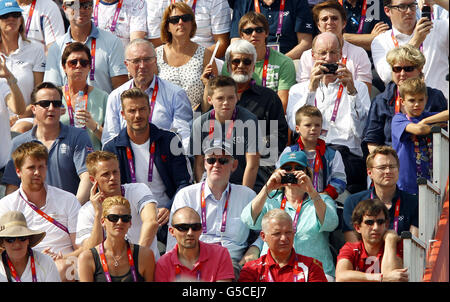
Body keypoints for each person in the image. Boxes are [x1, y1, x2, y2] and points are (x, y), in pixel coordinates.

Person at [103, 88, 192, 247]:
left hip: (166, 215)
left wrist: (169, 207)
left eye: (142, 109)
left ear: (150, 110)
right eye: (132, 111)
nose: (138, 115)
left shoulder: (170, 140)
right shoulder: (112, 148)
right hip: (128, 217)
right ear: (123, 114)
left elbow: (184, 182)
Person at [286, 32, 371, 193]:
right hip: (309, 154)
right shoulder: (299, 90)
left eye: (333, 52)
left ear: (340, 54)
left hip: (347, 156)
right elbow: (293, 124)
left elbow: (362, 131)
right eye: (322, 53)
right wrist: (311, 89)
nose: (328, 58)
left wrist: (351, 92)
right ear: (312, 55)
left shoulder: (358, 87)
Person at [167, 142, 259, 280]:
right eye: (211, 160)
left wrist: (255, 249)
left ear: (234, 165)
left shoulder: (248, 196)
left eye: (223, 160)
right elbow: (173, 237)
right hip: (194, 261)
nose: (216, 165)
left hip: (233, 263)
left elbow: (266, 232)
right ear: (204, 163)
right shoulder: (186, 195)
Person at [241, 151, 338, 281]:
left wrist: (311, 191)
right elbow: (248, 220)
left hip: (314, 270)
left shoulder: (321, 199)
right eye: (287, 169)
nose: (292, 172)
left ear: (307, 172)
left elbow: (331, 223)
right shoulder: (270, 199)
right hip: (272, 270)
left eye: (298, 168)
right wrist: (267, 188)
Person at [0, 142, 82, 281]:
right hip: (22, 264)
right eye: (31, 168)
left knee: (62, 268)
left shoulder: (68, 200)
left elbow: (82, 247)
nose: (37, 172)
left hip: (66, 263)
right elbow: (4, 246)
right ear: (18, 171)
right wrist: (39, 259)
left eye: (41, 167)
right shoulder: (6, 205)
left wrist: (61, 258)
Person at [1, 82, 93, 203]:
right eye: (45, 104)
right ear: (33, 108)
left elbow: (87, 177)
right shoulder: (18, 143)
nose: (51, 108)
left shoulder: (78, 137)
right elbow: (12, 187)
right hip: (31, 217)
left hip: (68, 215)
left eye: (56, 104)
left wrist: (73, 209)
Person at [219, 39, 288, 193]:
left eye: (247, 61)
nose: (241, 66)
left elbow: (279, 137)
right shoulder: (219, 96)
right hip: (221, 168)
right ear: (228, 64)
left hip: (259, 172)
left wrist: (252, 147)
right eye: (236, 61)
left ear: (253, 65)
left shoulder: (269, 98)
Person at [101, 38, 193, 151]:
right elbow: (110, 138)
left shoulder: (175, 94)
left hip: (164, 159)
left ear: (155, 61)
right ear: (126, 64)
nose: (142, 65)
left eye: (147, 59)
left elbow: (183, 137)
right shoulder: (115, 97)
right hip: (128, 162)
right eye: (136, 61)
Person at [362, 44, 448, 154]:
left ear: (420, 69)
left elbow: (444, 131)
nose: (402, 74)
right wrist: (386, 165)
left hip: (429, 159)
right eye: (397, 69)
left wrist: (426, 121)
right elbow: (372, 141)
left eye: (408, 69)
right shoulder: (381, 101)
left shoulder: (434, 96)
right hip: (392, 162)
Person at [76, 151, 160, 261]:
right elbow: (89, 251)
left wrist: (137, 258)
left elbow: (152, 221)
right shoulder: (87, 210)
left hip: (145, 266)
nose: (112, 177)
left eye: (115, 172)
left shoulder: (139, 190)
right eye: (106, 174)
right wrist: (98, 214)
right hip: (110, 273)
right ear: (93, 180)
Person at [190, 75, 260, 191]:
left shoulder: (249, 121)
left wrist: (243, 195)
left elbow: (252, 165)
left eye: (231, 98)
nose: (226, 102)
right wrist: (202, 191)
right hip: (211, 184)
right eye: (220, 98)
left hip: (239, 184)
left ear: (237, 98)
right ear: (209, 100)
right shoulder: (199, 124)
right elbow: (199, 163)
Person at [44, 0, 129, 94]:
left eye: (86, 5)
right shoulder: (56, 48)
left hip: (102, 108)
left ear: (92, 7)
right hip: (68, 108)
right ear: (64, 8)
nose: (80, 10)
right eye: (74, 5)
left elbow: (121, 90)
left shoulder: (112, 42)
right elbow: (51, 91)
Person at [371, 0, 449, 100]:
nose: (409, 11)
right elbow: (388, 76)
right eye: (402, 7)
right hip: (404, 109)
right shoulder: (381, 41)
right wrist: (415, 41)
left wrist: (438, 1)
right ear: (387, 11)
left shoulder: (437, 27)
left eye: (412, 6)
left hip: (440, 107)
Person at [343, 146, 419, 242]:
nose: (388, 171)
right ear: (370, 173)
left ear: (398, 170)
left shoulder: (414, 203)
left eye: (392, 167)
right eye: (382, 168)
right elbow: (353, 246)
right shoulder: (353, 202)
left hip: (401, 256)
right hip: (366, 257)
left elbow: (413, 244)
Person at [297, 0, 372, 92]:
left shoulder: (359, 53)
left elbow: (365, 94)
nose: (329, 22)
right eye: (324, 19)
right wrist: (313, 83)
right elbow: (301, 94)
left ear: (344, 23)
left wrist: (351, 86)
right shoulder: (307, 56)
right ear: (318, 25)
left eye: (334, 18)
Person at [228, 11, 296, 112]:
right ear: (241, 35)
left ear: (267, 33)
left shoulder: (284, 62)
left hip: (271, 118)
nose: (254, 34)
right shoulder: (232, 63)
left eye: (259, 30)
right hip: (240, 118)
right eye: (248, 31)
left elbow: (283, 103)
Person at [391, 77, 449, 194]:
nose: (417, 104)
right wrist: (430, 127)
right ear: (402, 101)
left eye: (421, 100)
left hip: (430, 185)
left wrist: (425, 121)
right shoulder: (398, 119)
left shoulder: (426, 117)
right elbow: (419, 130)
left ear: (426, 99)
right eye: (412, 100)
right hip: (406, 186)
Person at [78, 196, 155, 282]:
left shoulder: (145, 255)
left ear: (130, 223)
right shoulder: (87, 258)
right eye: (113, 218)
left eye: (125, 218)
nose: (119, 222)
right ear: (103, 221)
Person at [278, 105, 347, 201]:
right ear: (297, 129)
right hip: (294, 200)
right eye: (308, 125)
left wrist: (323, 195)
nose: (313, 128)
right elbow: (279, 174)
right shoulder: (289, 152)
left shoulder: (333, 154)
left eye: (317, 125)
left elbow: (340, 180)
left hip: (322, 200)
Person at [156, 2, 217, 108]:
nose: (180, 22)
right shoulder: (156, 54)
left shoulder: (206, 55)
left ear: (192, 24)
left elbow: (216, 93)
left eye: (185, 18)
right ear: (167, 27)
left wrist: (207, 84)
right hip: (165, 118)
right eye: (175, 20)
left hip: (196, 117)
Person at [239, 209, 328, 282]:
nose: (284, 238)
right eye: (277, 233)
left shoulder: (312, 266)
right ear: (263, 236)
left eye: (288, 232)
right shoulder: (252, 269)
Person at [336, 198, 408, 282]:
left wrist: (390, 240)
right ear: (357, 227)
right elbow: (341, 277)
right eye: (369, 222)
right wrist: (381, 278)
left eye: (380, 222)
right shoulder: (351, 248)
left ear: (387, 224)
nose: (376, 227)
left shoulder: (397, 245)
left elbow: (393, 280)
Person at [155, 206, 235, 282]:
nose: (190, 233)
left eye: (195, 227)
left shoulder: (220, 254)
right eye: (183, 227)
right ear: (172, 231)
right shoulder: (163, 263)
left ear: (201, 230)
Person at [0, 0, 44, 134]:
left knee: (18, 129)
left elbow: (38, 94)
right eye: (5, 16)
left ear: (21, 20)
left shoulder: (36, 49)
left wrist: (18, 117)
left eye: (15, 14)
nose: (11, 19)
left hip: (26, 118)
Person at [59, 42, 108, 151]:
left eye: (84, 62)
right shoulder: (54, 96)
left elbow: (110, 140)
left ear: (89, 67)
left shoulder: (103, 97)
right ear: (64, 67)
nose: (78, 66)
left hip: (91, 160)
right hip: (61, 158)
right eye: (73, 62)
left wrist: (94, 126)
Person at [230, 0, 314, 60]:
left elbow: (306, 43)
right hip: (252, 61)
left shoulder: (297, 2)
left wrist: (281, 62)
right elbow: (235, 43)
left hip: (289, 59)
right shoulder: (242, 2)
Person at [147, 0, 231, 59]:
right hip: (169, 59)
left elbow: (222, 44)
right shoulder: (154, 2)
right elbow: (156, 43)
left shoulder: (216, 1)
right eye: (174, 19)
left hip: (207, 61)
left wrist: (194, 60)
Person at [0, 211, 61, 282]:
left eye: (22, 238)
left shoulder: (46, 263)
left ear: (28, 239)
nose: (17, 244)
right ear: (2, 243)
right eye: (10, 239)